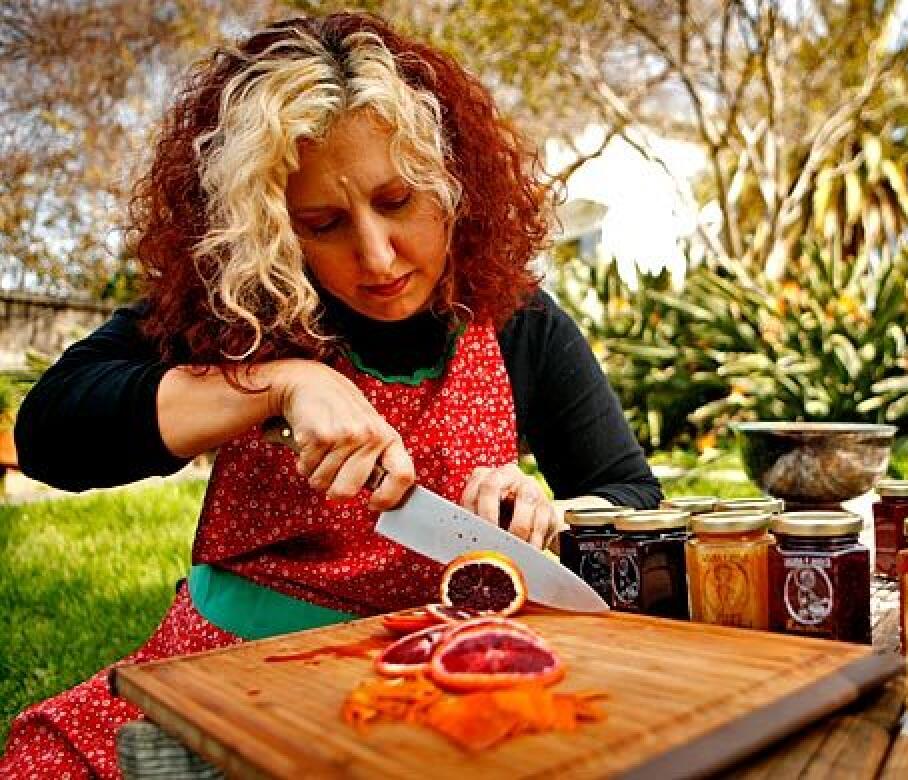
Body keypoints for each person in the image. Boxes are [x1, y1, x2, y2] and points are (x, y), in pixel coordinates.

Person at [0, 11, 660, 779]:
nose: (377, 256)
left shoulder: (521, 324)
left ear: (456, 189)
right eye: (323, 223)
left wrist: (551, 513)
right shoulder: (240, 306)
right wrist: (275, 384)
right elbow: (52, 435)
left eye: (398, 201)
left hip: (441, 684)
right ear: (272, 228)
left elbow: (632, 492)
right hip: (230, 674)